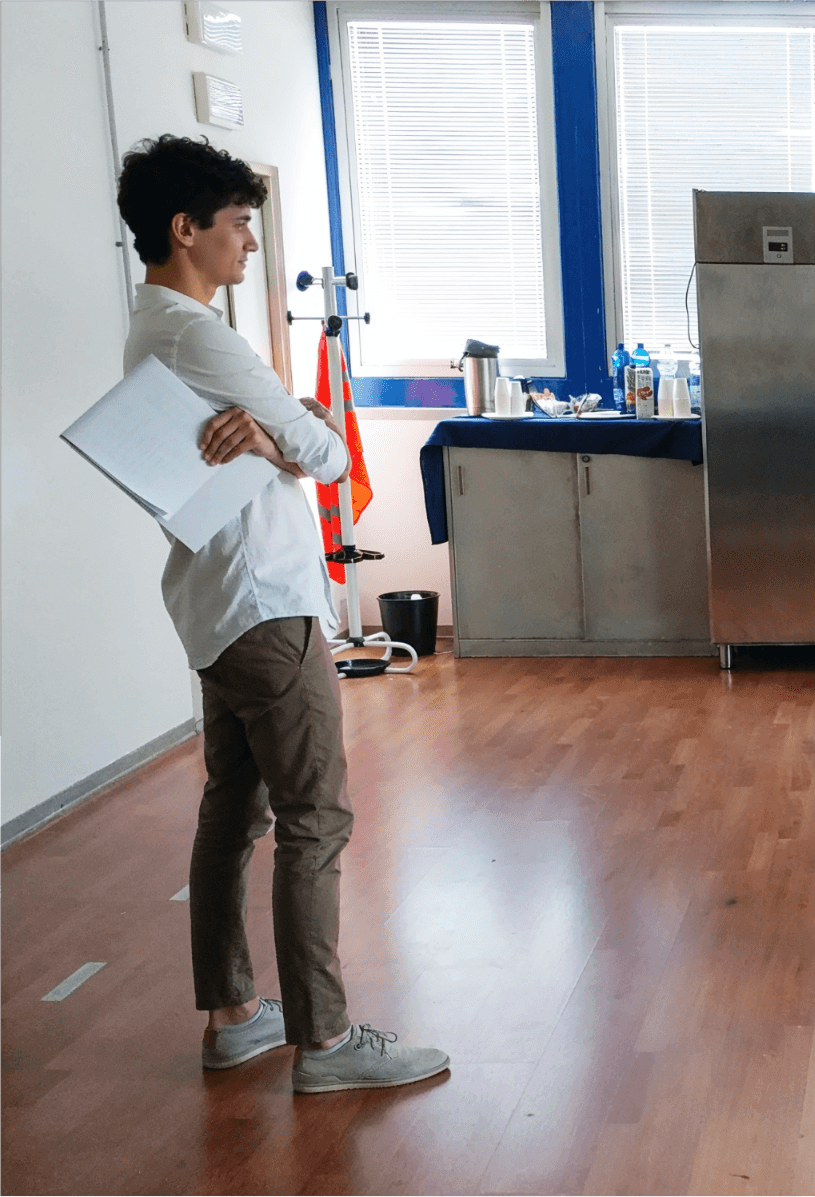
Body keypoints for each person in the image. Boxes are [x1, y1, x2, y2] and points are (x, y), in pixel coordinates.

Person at [116, 135, 448, 1094]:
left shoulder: (150, 328)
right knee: (316, 816)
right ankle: (326, 1042)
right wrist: (285, 432)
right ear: (187, 230)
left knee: (233, 810)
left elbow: (291, 435)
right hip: (268, 603)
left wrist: (278, 428)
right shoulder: (200, 334)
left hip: (216, 604)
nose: (251, 244)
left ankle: (232, 1019)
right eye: (238, 224)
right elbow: (331, 453)